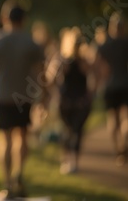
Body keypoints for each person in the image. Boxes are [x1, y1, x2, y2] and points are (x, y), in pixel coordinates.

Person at [0, 0, 45, 199]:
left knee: (4, 139)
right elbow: (42, 72)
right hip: (24, 96)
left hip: (2, 96)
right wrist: (43, 96)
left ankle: (7, 182)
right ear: (24, 20)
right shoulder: (31, 42)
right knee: (22, 137)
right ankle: (18, 175)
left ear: (4, 18)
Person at [49, 27, 94, 174]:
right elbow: (52, 78)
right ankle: (68, 160)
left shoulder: (83, 61)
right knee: (69, 132)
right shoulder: (63, 60)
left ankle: (72, 161)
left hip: (77, 102)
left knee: (75, 131)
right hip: (68, 102)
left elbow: (92, 76)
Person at [96, 13, 128, 166]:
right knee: (125, 118)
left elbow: (97, 66)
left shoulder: (104, 46)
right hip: (125, 85)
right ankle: (124, 143)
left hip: (110, 86)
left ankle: (118, 150)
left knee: (113, 120)